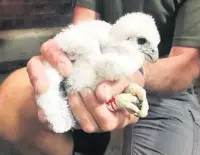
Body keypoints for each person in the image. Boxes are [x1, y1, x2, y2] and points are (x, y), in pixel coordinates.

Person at [0, 0, 200, 155]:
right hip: (96, 70)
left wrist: (134, 72)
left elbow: (186, 63)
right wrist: (63, 58)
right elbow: (83, 26)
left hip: (166, 91)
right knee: (9, 100)